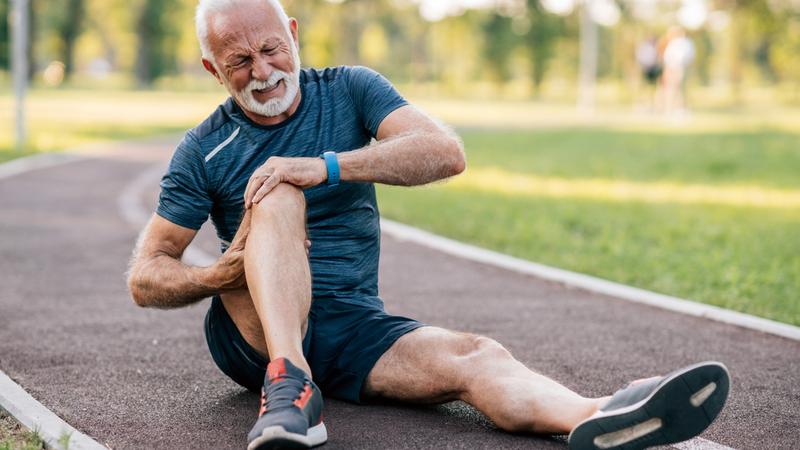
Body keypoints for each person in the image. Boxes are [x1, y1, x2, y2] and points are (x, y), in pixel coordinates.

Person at [126, 1, 730, 449]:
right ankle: (288, 385)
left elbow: (444, 151)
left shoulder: (351, 89)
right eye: (240, 62)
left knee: (474, 354)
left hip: (352, 326)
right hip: (254, 328)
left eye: (272, 49)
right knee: (277, 187)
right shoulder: (204, 149)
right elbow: (146, 276)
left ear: (293, 33)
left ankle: (594, 413)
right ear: (212, 69)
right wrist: (227, 269)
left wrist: (328, 166)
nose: (263, 71)